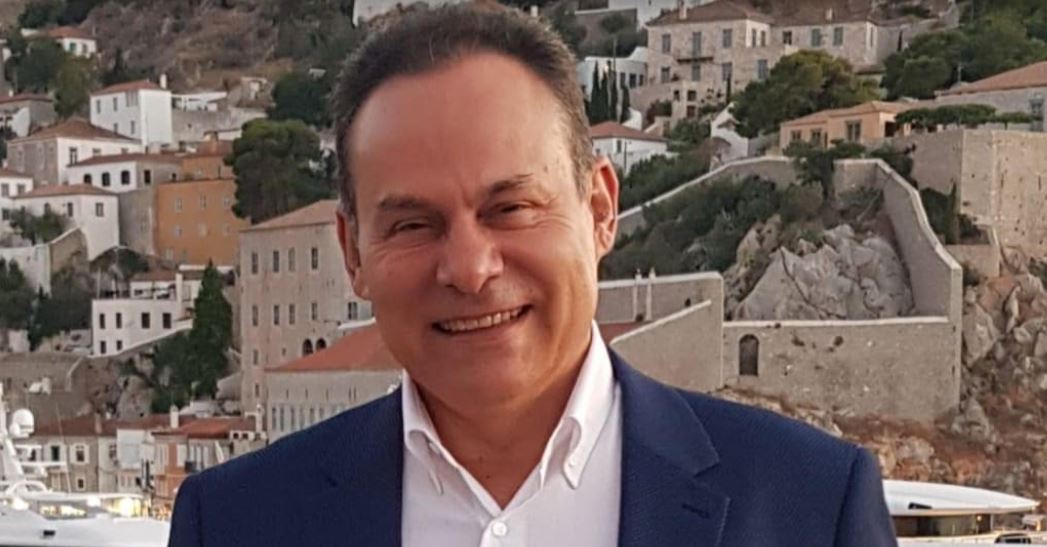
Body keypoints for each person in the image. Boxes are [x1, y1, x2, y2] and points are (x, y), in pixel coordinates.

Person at [168, 3, 897, 546]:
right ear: (353, 252)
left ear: (600, 210)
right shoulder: (234, 524)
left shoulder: (809, 508)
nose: (469, 268)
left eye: (510, 208)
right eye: (413, 224)